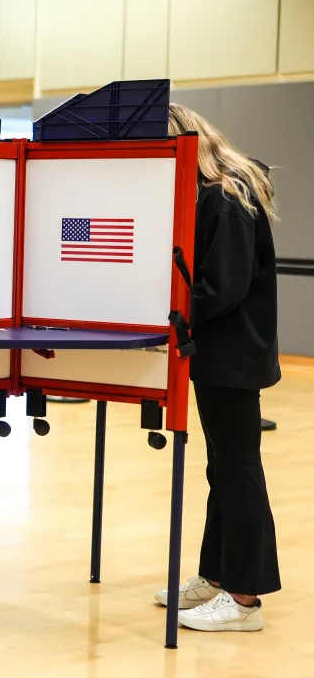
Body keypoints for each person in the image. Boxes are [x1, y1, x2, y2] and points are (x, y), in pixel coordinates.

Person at [155, 104, 281, 632]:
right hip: (219, 354)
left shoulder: (227, 198)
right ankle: (216, 576)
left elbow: (220, 289)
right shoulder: (217, 192)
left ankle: (245, 599)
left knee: (238, 472)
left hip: (230, 353)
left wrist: (171, 321)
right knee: (222, 471)